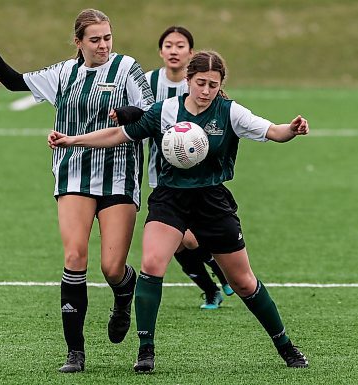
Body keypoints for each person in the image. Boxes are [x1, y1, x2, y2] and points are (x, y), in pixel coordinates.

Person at [47, 50, 310, 372]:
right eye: (200, 83)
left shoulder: (230, 112)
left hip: (212, 201)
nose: (205, 90)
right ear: (188, 80)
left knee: (242, 281)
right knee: (152, 263)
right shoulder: (165, 110)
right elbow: (120, 134)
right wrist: (74, 140)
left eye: (213, 85)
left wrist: (292, 130)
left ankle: (285, 345)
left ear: (220, 85)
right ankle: (145, 351)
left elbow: (273, 131)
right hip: (170, 199)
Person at [0, 8, 154, 373]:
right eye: (95, 39)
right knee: (74, 257)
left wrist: (128, 112)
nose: (103, 45)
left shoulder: (126, 68)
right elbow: (14, 82)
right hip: (73, 176)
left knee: (111, 266)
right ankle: (76, 352)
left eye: (107, 37)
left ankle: (123, 291)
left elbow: (153, 112)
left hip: (119, 176)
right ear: (78, 42)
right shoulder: (63, 73)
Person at [146, 26, 234, 309]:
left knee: (190, 239)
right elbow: (138, 116)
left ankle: (221, 276)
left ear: (190, 53)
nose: (174, 50)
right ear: (160, 51)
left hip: (199, 178)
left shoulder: (205, 87)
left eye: (180, 45)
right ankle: (213, 287)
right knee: (182, 243)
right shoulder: (148, 82)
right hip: (161, 173)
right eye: (168, 45)